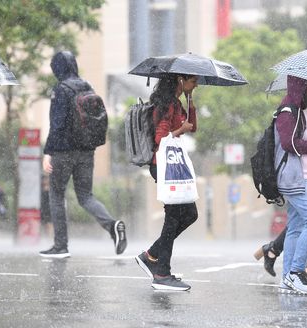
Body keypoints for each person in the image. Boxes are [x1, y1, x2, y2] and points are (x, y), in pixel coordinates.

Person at [40, 50, 127, 258]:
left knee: (56, 194)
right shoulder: (87, 86)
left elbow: (57, 124)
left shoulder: (61, 89)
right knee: (86, 196)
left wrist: (47, 152)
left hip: (63, 151)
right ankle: (112, 225)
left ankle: (60, 246)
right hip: (87, 151)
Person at [255, 85, 307, 286]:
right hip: (295, 179)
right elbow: (289, 144)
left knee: (294, 227)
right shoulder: (288, 110)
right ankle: (296, 272)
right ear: (300, 83)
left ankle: (287, 279)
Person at [135, 73, 199, 291]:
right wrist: (181, 129)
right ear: (180, 80)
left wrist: (190, 102)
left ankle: (151, 255)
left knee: (190, 214)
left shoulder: (178, 103)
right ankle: (162, 273)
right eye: (193, 81)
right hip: (162, 164)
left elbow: (194, 127)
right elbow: (160, 138)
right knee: (173, 216)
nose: (196, 84)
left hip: (174, 163)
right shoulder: (166, 105)